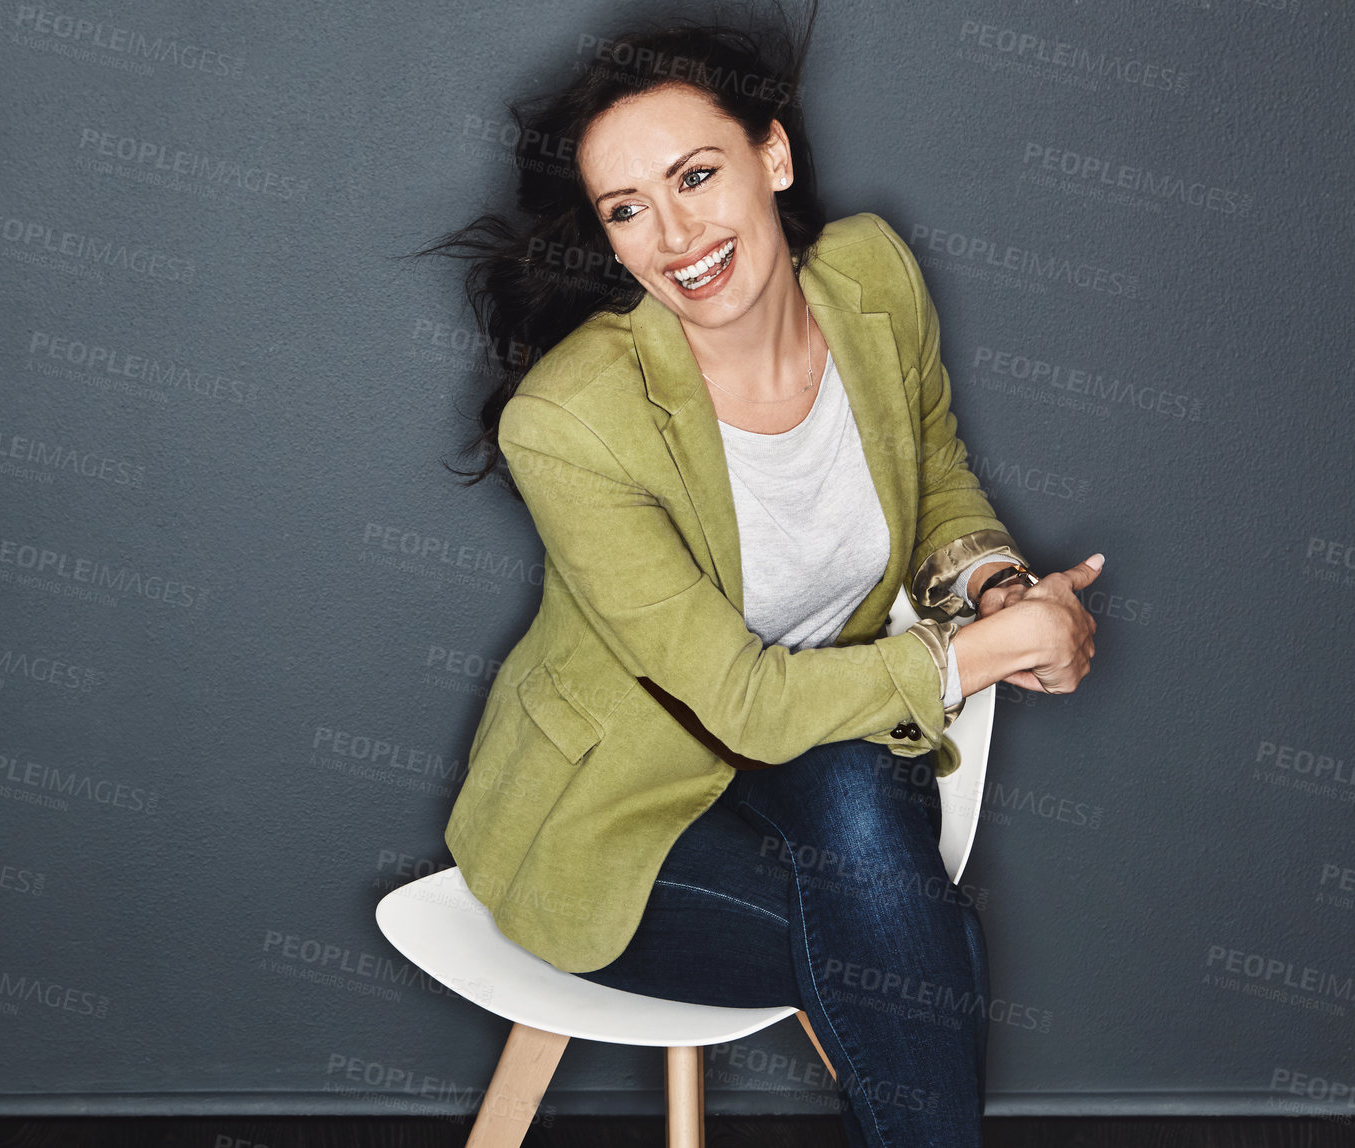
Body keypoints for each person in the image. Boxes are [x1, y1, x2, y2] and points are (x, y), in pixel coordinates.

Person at [417, 8, 1100, 1145]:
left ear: (772, 157)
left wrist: (991, 586)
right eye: (628, 209)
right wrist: (984, 651)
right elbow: (735, 699)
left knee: (889, 908)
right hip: (614, 805)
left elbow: (934, 475)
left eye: (696, 175)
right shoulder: (569, 423)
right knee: (913, 948)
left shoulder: (872, 274)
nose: (674, 232)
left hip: (831, 719)